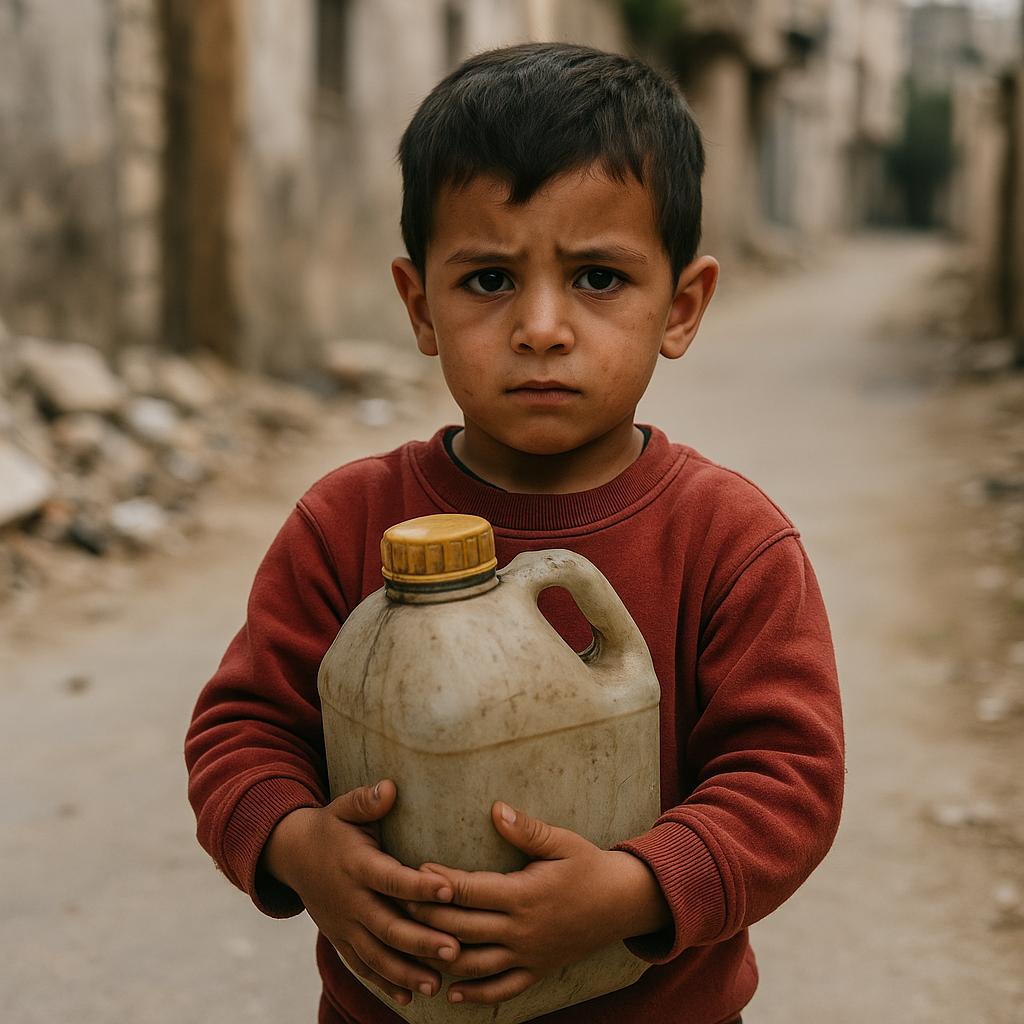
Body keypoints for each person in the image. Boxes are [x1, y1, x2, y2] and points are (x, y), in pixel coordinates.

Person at [185, 42, 844, 1024]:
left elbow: (786, 782)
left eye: (598, 278)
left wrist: (629, 891)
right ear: (420, 306)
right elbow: (241, 733)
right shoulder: (345, 524)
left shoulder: (726, 541)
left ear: (682, 305)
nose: (541, 326)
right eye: (489, 280)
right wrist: (295, 845)